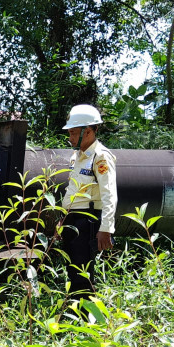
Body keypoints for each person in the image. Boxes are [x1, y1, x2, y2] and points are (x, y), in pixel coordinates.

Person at [60, 104, 118, 297]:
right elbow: (73, 190)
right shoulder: (76, 156)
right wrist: (63, 218)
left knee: (83, 271)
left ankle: (86, 317)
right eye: (69, 133)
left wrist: (106, 228)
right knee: (73, 269)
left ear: (89, 131)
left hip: (88, 219)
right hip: (72, 219)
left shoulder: (100, 157)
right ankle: (76, 312)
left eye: (74, 133)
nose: (71, 138)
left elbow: (109, 193)